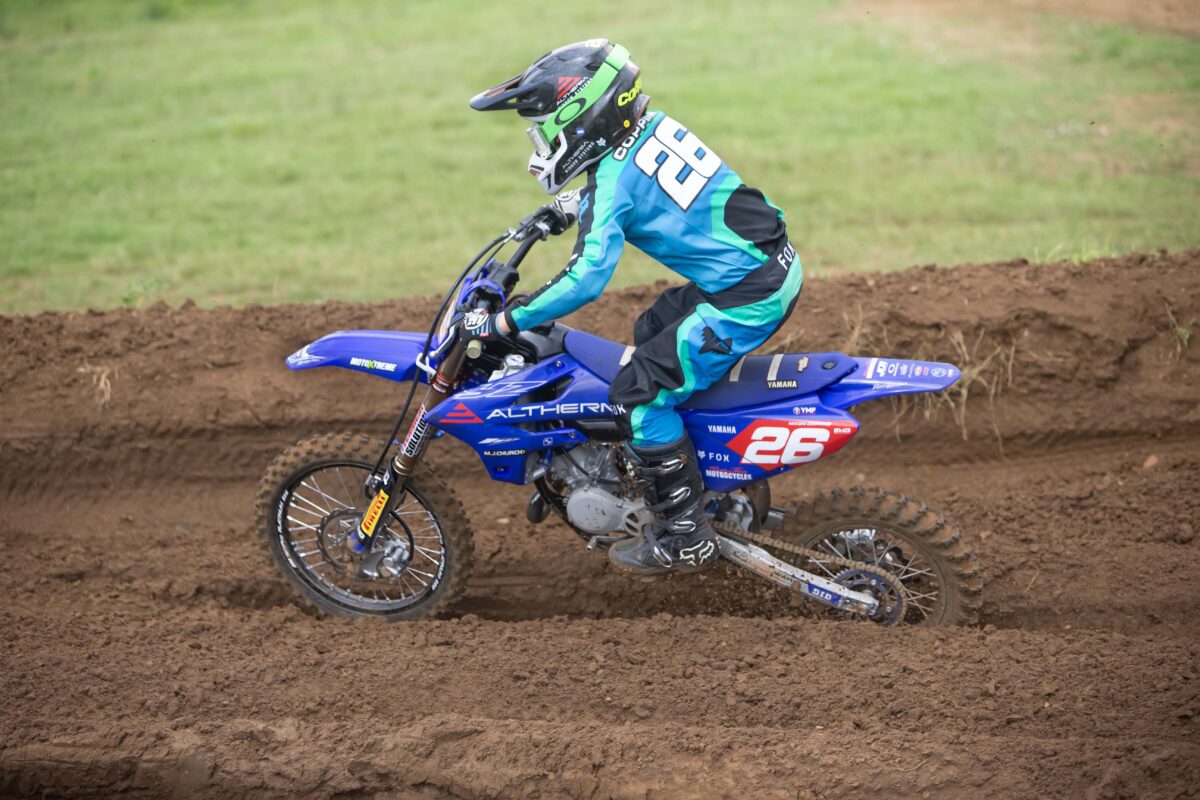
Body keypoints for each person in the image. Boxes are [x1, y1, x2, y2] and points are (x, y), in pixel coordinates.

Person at [467, 39, 802, 575]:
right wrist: (569, 206)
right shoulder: (653, 128)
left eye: (548, 129)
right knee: (651, 328)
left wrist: (509, 320)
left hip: (748, 297)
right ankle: (694, 473)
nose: (544, 143)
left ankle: (687, 536)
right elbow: (646, 186)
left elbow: (585, 279)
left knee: (640, 399)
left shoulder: (611, 181)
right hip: (762, 268)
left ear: (582, 117)